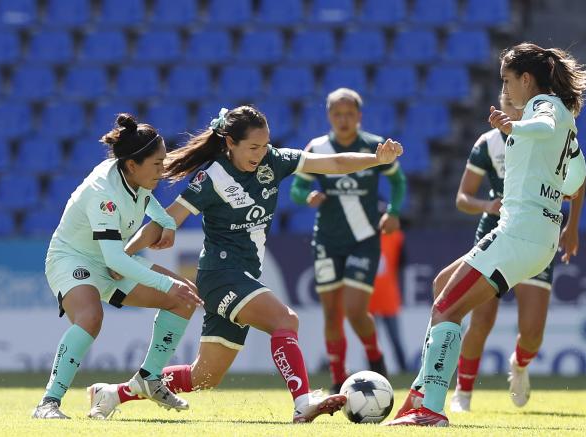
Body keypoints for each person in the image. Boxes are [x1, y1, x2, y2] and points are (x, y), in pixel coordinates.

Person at [85, 105, 403, 423]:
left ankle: (112, 394)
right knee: (285, 321)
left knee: (204, 377)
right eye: (253, 147)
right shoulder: (212, 178)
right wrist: (125, 252)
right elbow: (168, 218)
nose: (260, 153)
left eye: (264, 145)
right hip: (221, 274)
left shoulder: (273, 161)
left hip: (243, 275)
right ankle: (303, 403)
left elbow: (330, 162)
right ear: (230, 143)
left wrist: (376, 159)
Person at [385, 42, 586, 427]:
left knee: (446, 308)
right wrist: (554, 181)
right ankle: (422, 390)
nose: (506, 89)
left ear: (526, 79)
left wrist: (515, 126)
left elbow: (541, 123)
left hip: (519, 233)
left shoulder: (541, 108)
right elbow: (578, 177)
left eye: (508, 81)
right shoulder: (567, 119)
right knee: (444, 284)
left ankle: (429, 407)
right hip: (539, 236)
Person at [32, 114, 204, 419]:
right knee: (91, 316)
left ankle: (150, 379)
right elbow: (114, 259)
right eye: (157, 163)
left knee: (183, 299)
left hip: (109, 258)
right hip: (73, 258)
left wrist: (165, 221)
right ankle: (48, 403)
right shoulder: (103, 193)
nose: (163, 169)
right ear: (132, 165)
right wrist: (167, 283)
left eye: (164, 160)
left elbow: (144, 198)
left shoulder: (131, 174)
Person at [449, 93, 585, 412]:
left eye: (516, 105)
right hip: (497, 230)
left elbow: (577, 179)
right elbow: (462, 198)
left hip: (537, 230)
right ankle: (462, 394)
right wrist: (486, 205)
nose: (511, 110)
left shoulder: (545, 134)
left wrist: (572, 227)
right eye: (505, 104)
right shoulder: (487, 143)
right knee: (481, 319)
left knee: (533, 333)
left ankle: (520, 365)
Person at [289, 88, 407, 393]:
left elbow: (398, 181)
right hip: (327, 241)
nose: (343, 120)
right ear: (328, 116)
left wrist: (393, 212)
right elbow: (296, 190)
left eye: (349, 114)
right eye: (337, 114)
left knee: (355, 309)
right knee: (331, 312)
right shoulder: (317, 148)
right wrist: (308, 196)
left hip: (364, 239)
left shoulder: (372, 147)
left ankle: (375, 358)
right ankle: (338, 378)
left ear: (359, 116)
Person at [369, 229, 409, 372]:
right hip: (374, 297)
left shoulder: (394, 237)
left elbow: (402, 262)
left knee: (390, 339)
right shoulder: (394, 236)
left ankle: (402, 368)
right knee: (372, 339)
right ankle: (376, 370)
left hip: (383, 297)